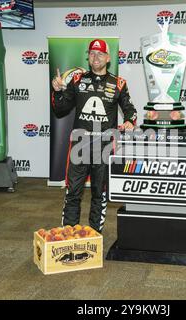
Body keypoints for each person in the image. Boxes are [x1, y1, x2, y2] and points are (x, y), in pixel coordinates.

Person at [51, 39, 137, 233]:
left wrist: (131, 121)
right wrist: (57, 92)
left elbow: (130, 109)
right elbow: (61, 109)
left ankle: (94, 235)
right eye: (92, 53)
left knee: (100, 193)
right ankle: (69, 233)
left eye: (100, 54)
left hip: (104, 145)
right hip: (80, 145)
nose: (95, 57)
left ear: (107, 58)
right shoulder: (77, 80)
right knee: (73, 192)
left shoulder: (118, 83)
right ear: (88, 58)